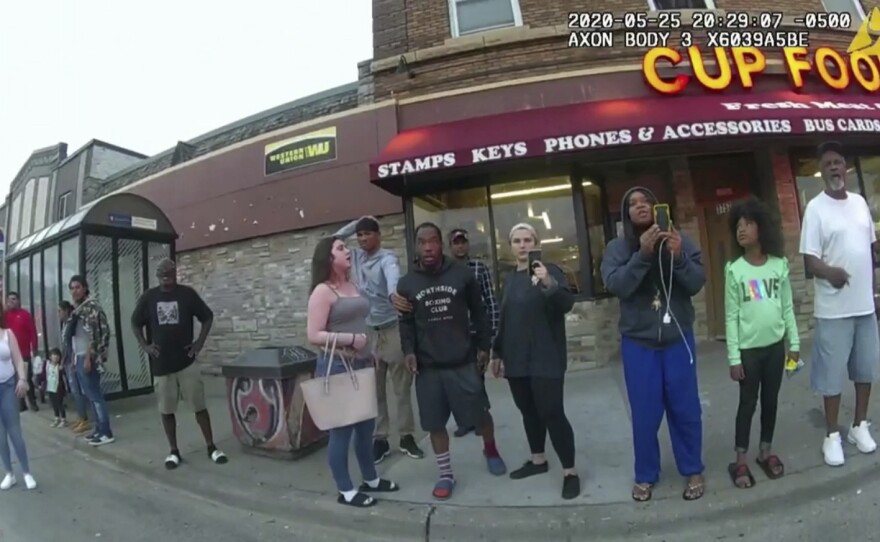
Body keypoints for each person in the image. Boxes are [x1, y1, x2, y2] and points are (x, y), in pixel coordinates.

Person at [600, 187, 706, 502]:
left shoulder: (680, 239)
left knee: (685, 409)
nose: (640, 206)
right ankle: (646, 473)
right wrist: (643, 255)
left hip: (677, 339)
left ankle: (693, 469)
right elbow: (617, 285)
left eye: (645, 200)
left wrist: (679, 257)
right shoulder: (617, 248)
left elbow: (697, 282)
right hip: (639, 343)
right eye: (632, 204)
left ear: (657, 206)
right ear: (626, 215)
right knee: (645, 414)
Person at [396, 223, 502, 500]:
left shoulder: (461, 274)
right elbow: (405, 323)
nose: (428, 247)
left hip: (462, 361)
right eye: (422, 242)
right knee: (434, 424)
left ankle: (491, 450)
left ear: (441, 244)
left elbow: (479, 312)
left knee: (481, 414)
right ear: (416, 247)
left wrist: (484, 346)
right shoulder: (407, 284)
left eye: (433, 241)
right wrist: (408, 351)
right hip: (428, 367)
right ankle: (445, 474)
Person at [799, 141, 879, 467]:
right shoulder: (815, 209)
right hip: (833, 311)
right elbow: (809, 260)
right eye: (828, 163)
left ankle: (859, 426)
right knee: (831, 377)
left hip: (864, 308)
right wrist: (830, 273)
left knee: (865, 371)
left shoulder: (859, 203)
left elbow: (870, 250)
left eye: (838, 162)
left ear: (845, 168)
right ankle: (831, 435)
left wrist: (874, 293)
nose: (834, 167)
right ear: (822, 171)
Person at [306, 236, 400, 507]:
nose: (348, 250)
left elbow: (361, 322)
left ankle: (371, 479)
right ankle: (345, 490)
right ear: (328, 258)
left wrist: (369, 351)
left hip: (362, 363)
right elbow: (313, 334)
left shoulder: (352, 285)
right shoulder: (322, 291)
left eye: (346, 247)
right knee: (342, 430)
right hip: (338, 365)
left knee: (366, 427)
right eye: (340, 248)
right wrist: (351, 340)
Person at [490, 223, 579, 500]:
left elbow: (566, 304)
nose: (522, 245)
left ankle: (570, 472)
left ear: (536, 243)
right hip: (517, 358)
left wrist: (548, 283)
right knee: (528, 411)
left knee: (552, 413)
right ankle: (538, 459)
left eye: (528, 240)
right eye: (517, 240)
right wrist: (497, 352)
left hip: (546, 357)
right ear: (510, 246)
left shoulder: (550, 271)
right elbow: (504, 318)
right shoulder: (509, 279)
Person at [334, 216, 423, 463]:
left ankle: (406, 436)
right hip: (368, 331)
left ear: (378, 235)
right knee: (375, 390)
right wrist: (357, 222)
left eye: (367, 234)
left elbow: (393, 279)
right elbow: (332, 241)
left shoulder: (387, 259)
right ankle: (380, 439)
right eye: (360, 235)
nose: (362, 239)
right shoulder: (355, 256)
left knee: (401, 388)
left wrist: (394, 295)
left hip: (392, 329)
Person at [724, 198, 799, 488]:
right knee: (747, 403)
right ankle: (741, 460)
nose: (742, 230)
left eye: (748, 224)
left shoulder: (779, 266)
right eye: (738, 226)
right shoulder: (734, 270)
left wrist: (793, 344)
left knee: (770, 401)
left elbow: (787, 307)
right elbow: (731, 317)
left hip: (775, 348)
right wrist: (734, 358)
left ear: (762, 228)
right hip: (748, 352)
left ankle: (765, 451)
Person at [131, 258, 228, 468]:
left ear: (176, 274)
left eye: (170, 273)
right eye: (162, 274)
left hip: (186, 362)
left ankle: (211, 447)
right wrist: (146, 346)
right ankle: (174, 451)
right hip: (162, 365)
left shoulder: (187, 294)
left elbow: (207, 317)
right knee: (167, 410)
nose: (166, 277)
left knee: (199, 407)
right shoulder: (149, 297)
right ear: (158, 276)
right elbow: (135, 322)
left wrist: (198, 343)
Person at [68, 275, 115, 446]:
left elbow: (95, 335)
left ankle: (106, 432)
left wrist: (90, 357)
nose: (75, 291)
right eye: (72, 288)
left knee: (95, 396)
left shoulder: (92, 307)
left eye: (78, 287)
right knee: (90, 396)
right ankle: (98, 429)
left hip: (89, 357)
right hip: (79, 356)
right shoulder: (78, 308)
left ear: (85, 288)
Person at [0, 300, 36, 490]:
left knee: (14, 432)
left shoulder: (7, 334)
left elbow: (18, 360)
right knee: (0, 436)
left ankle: (26, 472)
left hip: (8, 386)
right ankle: (9, 473)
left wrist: (22, 379)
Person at [4, 292, 38, 412]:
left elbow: (32, 331)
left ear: (18, 300)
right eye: (9, 300)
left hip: (24, 353)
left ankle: (33, 402)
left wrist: (34, 347)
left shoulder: (25, 315)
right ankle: (21, 404)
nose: (11, 302)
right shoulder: (5, 315)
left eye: (14, 299)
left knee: (26, 378)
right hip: (9, 354)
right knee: (13, 379)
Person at [60, 300, 90, 433]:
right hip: (68, 359)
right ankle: (80, 417)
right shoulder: (66, 324)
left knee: (78, 390)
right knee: (74, 390)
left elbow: (72, 342)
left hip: (74, 358)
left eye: (60, 311)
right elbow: (65, 343)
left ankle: (84, 418)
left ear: (67, 310)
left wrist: (71, 358)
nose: (59, 314)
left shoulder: (73, 322)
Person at [45, 348, 67, 428]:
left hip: (58, 387)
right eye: (54, 355)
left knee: (60, 403)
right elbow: (44, 375)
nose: (56, 357)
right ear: (50, 356)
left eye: (57, 355)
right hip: (50, 387)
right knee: (54, 404)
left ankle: (63, 419)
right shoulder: (47, 365)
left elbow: (63, 377)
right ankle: (56, 418)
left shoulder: (60, 367)